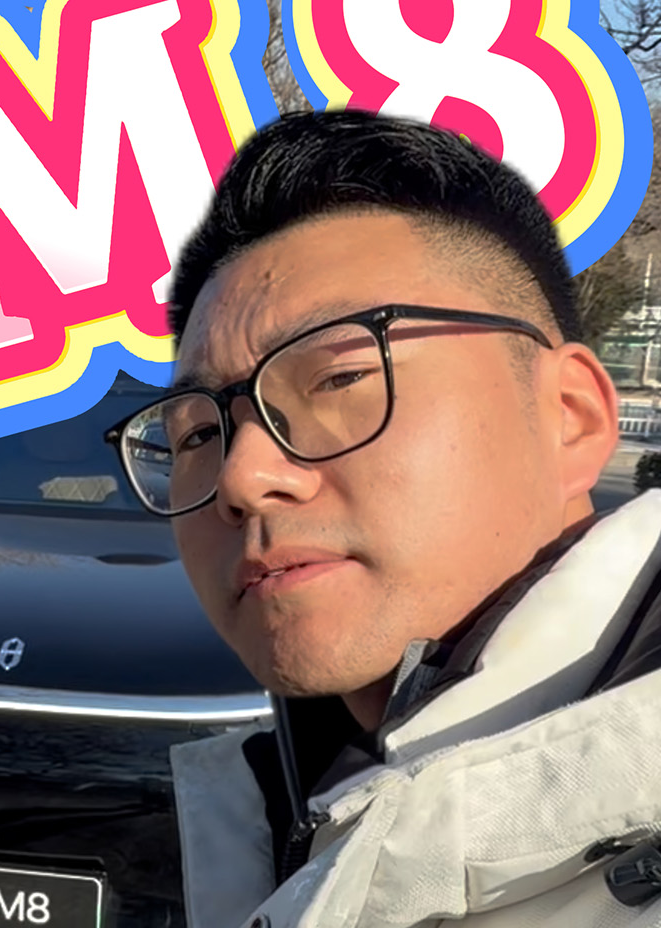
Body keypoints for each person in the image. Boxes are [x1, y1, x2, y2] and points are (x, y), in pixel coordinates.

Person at [106, 110, 661, 928]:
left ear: (570, 416)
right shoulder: (283, 806)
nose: (242, 478)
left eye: (338, 380)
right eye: (196, 433)